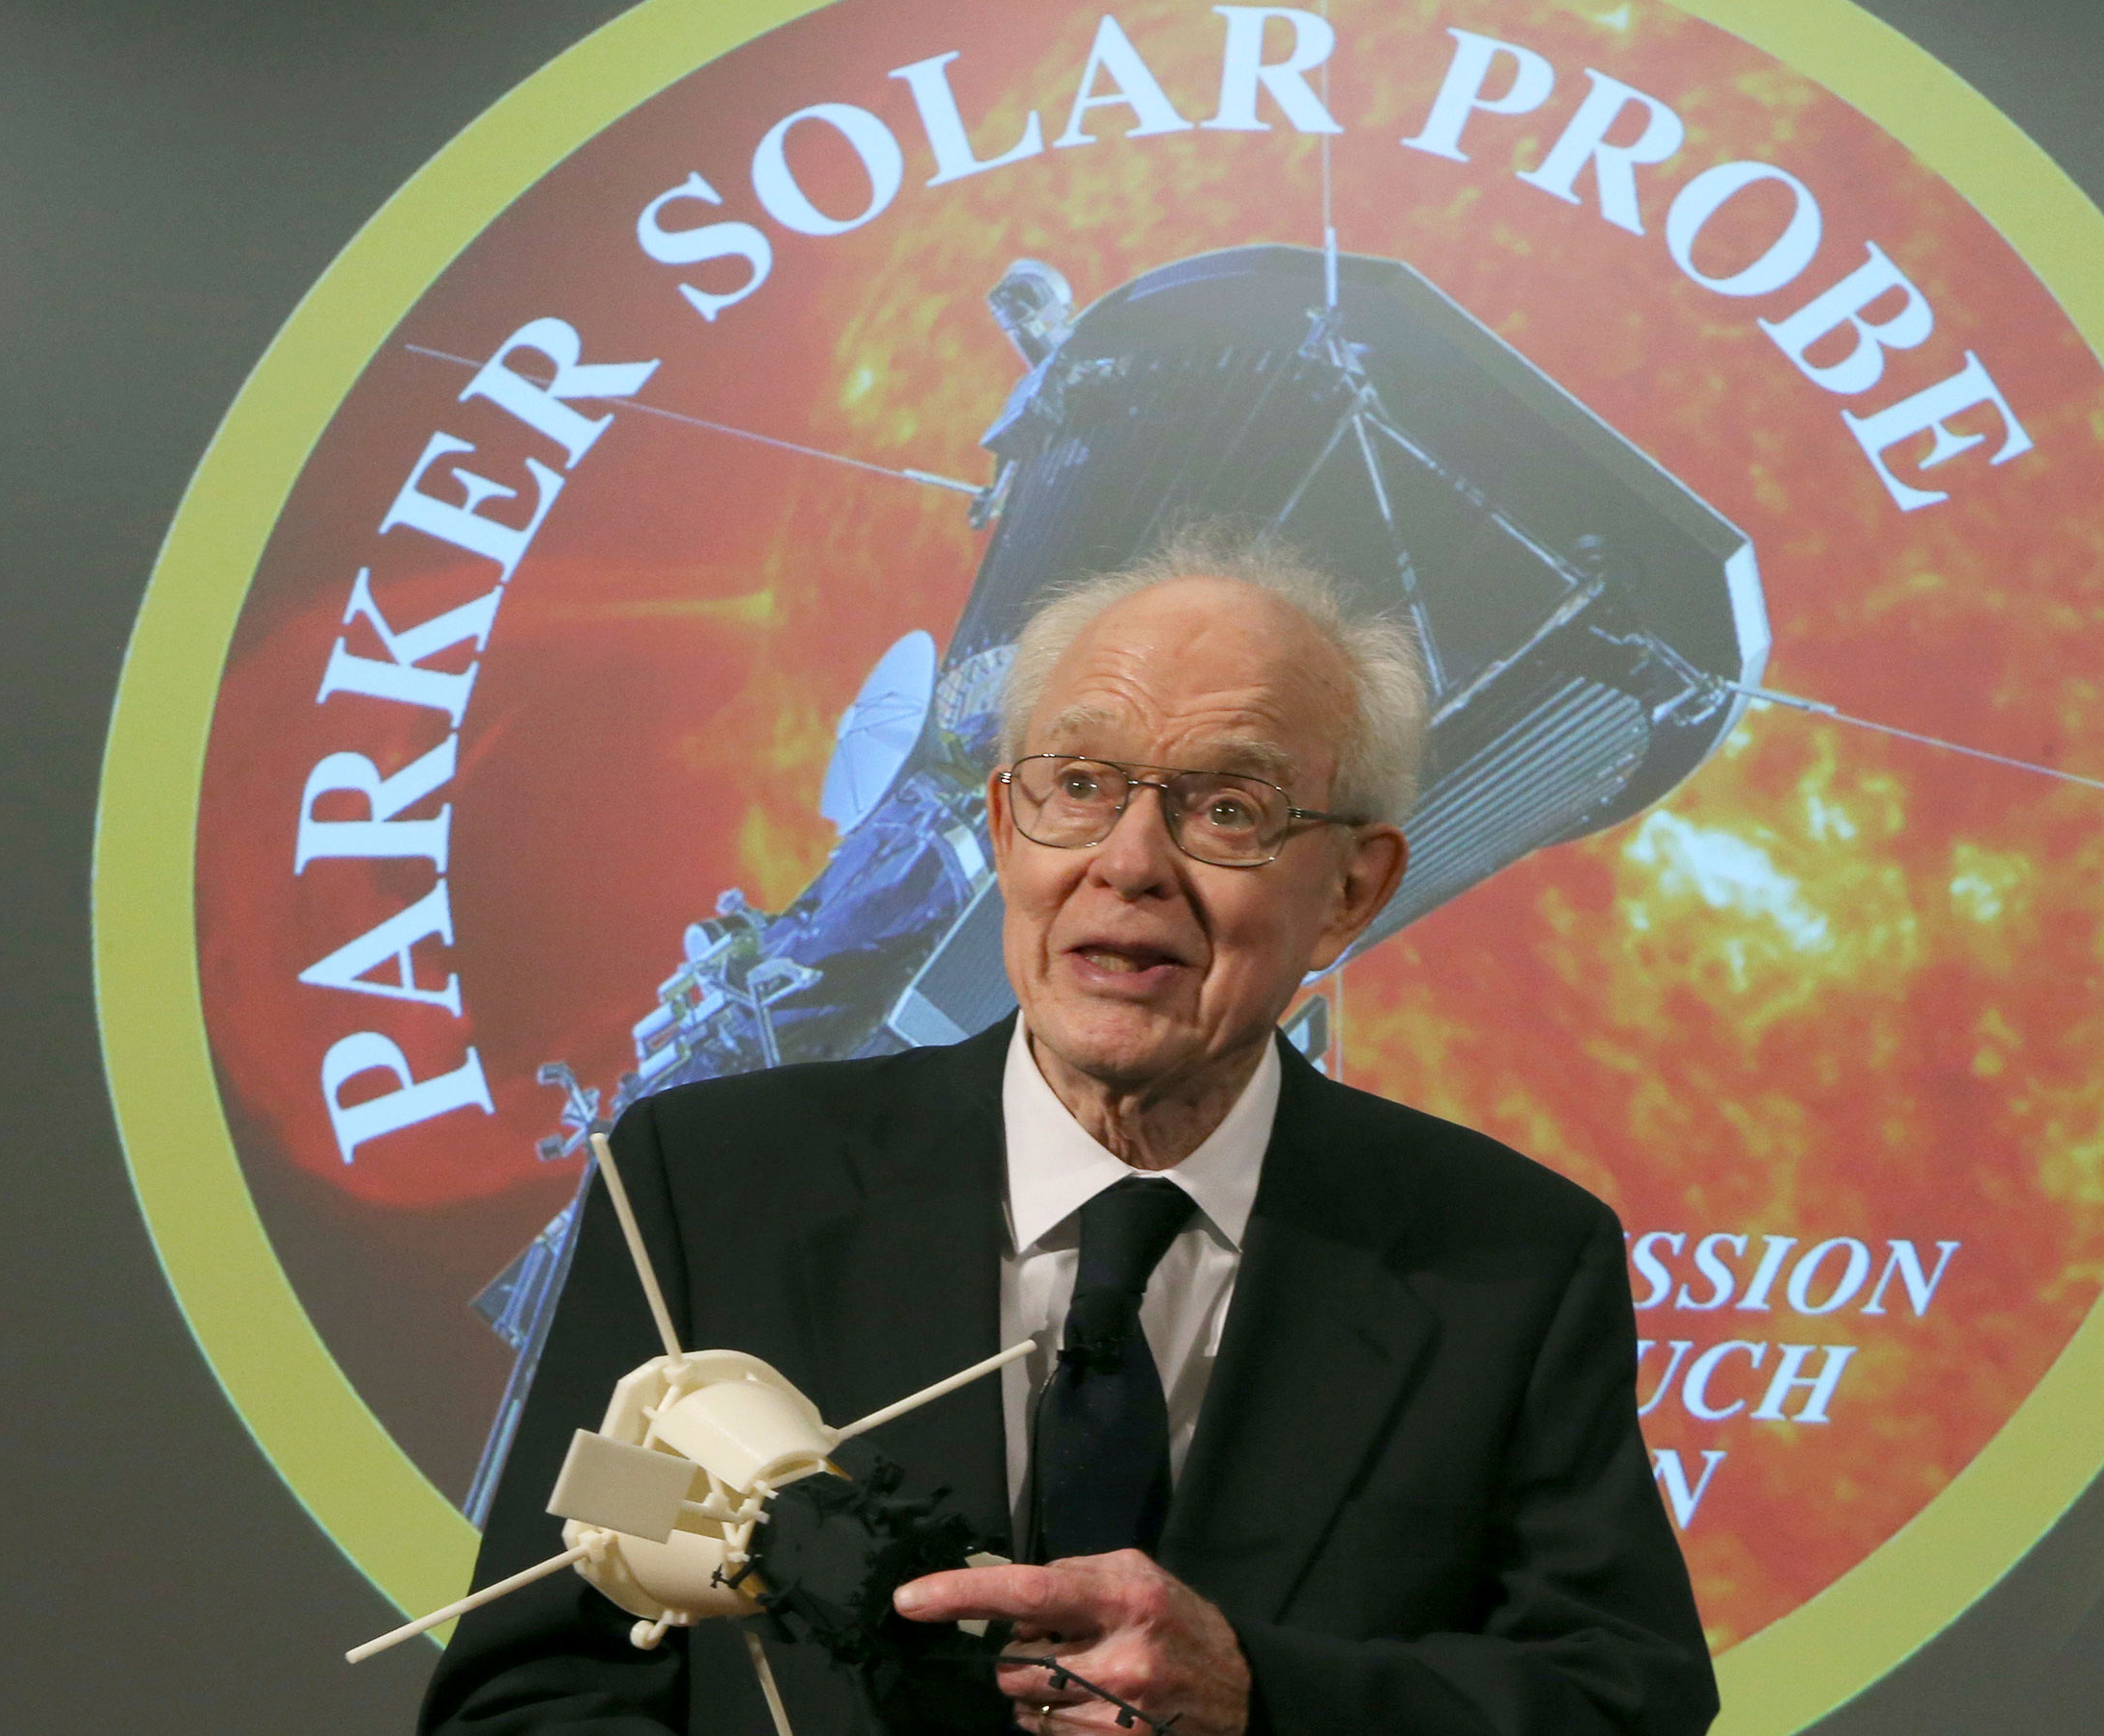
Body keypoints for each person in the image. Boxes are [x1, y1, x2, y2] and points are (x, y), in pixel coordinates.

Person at [422, 532, 1716, 1735]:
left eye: (1225, 809)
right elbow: (536, 1681)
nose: (1128, 861)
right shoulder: (705, 1190)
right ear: (1002, 825)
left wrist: (1258, 1694)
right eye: (1080, 785)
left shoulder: (1509, 1258)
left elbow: (1622, 1696)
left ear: (1352, 889)